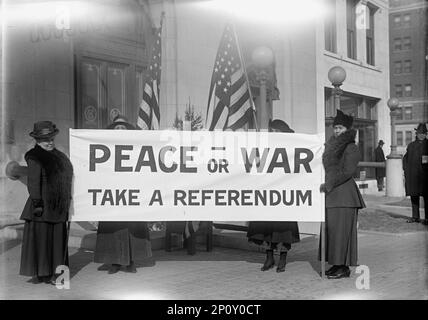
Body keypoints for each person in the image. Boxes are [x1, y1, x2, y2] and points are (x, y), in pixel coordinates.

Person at [94, 115, 153, 273]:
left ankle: (130, 261)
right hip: (111, 194)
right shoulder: (104, 148)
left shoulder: (135, 148)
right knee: (113, 228)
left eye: (123, 127)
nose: (120, 130)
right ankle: (115, 262)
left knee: (131, 227)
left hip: (131, 193)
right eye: (117, 127)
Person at [20, 121, 73, 284]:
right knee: (43, 242)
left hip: (58, 207)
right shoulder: (35, 157)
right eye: (45, 140)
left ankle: (57, 274)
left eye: (51, 139)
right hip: (41, 208)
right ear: (37, 141)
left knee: (57, 242)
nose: (49, 142)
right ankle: (43, 273)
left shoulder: (60, 156)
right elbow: (33, 182)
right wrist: (38, 204)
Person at [246, 119, 300, 273]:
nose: (274, 134)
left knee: (283, 229)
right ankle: (269, 257)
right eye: (272, 131)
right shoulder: (265, 148)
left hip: (284, 194)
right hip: (268, 193)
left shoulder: (292, 148)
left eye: (277, 131)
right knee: (266, 227)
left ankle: (282, 258)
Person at [319, 110, 365, 279]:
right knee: (333, 231)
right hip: (333, 195)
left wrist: (329, 184)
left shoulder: (351, 147)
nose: (337, 131)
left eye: (340, 128)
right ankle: (336, 264)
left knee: (341, 232)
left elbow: (348, 171)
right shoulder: (332, 146)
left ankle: (343, 267)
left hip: (344, 196)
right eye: (335, 128)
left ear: (347, 129)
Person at [402, 123, 428, 224]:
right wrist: (406, 170)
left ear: (426, 134)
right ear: (416, 134)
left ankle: (427, 218)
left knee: (427, 198)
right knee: (414, 196)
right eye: (420, 133)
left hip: (425, 176)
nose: (421, 135)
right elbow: (405, 158)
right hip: (413, 176)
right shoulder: (411, 145)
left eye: (423, 133)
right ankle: (415, 216)